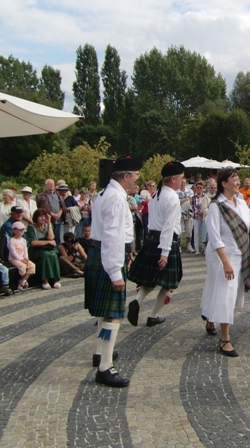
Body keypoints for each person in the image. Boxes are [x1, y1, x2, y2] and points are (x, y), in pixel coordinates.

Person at [201, 169, 250, 356]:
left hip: (239, 254)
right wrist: (225, 262)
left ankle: (210, 318)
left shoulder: (241, 203)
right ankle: (225, 339)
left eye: (238, 178)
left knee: (225, 292)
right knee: (225, 294)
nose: (238, 181)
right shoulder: (216, 206)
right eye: (234, 179)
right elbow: (215, 238)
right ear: (224, 183)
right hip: (222, 256)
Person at [85, 155, 142, 387]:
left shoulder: (105, 193)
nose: (137, 179)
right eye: (135, 175)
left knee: (104, 314)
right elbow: (112, 237)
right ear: (126, 176)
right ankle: (105, 368)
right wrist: (115, 272)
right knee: (113, 315)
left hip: (100, 255)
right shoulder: (116, 199)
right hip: (108, 257)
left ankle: (101, 352)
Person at [127, 162, 185, 327]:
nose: (183, 180)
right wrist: (165, 253)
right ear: (173, 179)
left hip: (152, 239)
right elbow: (168, 227)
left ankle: (137, 301)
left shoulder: (156, 194)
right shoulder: (172, 197)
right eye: (181, 178)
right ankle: (154, 315)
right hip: (166, 241)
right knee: (168, 283)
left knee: (150, 279)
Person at [27, 208, 61, 290]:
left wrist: (49, 223)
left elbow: (51, 237)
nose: (43, 218)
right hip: (36, 250)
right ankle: (45, 280)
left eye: (44, 216)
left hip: (47, 248)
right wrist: (48, 242)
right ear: (36, 218)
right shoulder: (31, 228)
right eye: (40, 216)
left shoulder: (47, 226)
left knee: (53, 254)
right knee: (45, 255)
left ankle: (55, 279)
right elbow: (33, 243)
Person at [8, 221, 36, 291]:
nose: (21, 231)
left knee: (32, 265)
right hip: (14, 259)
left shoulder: (23, 240)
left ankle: (24, 280)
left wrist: (26, 258)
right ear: (14, 230)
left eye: (22, 230)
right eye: (20, 230)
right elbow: (13, 252)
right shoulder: (12, 240)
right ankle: (23, 281)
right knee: (22, 266)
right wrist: (20, 259)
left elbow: (25, 250)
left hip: (23, 258)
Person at [189, 180, 206, 254]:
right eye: (197, 187)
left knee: (204, 232)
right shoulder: (193, 197)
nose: (199, 189)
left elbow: (206, 206)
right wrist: (198, 212)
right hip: (196, 216)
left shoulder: (205, 197)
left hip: (204, 217)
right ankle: (196, 249)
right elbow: (193, 207)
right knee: (196, 232)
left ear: (203, 188)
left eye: (200, 187)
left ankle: (204, 248)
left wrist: (203, 213)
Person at [177, 179, 194, 253]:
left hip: (188, 213)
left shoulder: (190, 191)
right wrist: (186, 199)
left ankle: (189, 245)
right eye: (181, 182)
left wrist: (183, 200)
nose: (182, 184)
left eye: (184, 182)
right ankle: (178, 245)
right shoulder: (176, 191)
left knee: (189, 230)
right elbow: (177, 201)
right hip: (179, 213)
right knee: (179, 230)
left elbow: (191, 200)